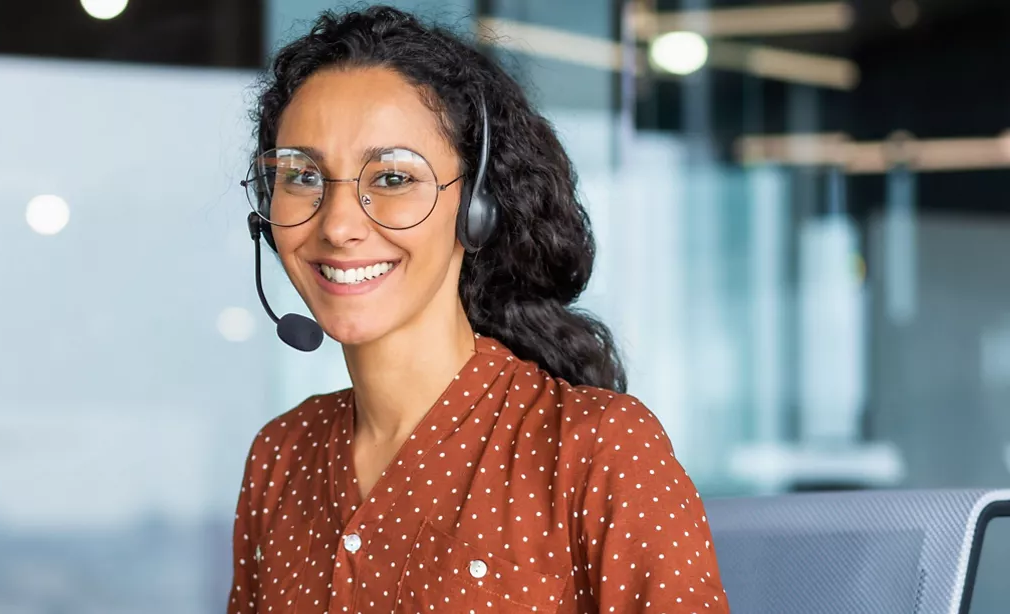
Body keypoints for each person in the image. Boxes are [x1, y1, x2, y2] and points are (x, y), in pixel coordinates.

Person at [228, 6, 729, 614]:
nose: (337, 225)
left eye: (391, 178)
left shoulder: (600, 450)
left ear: (477, 206)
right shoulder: (281, 457)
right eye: (302, 176)